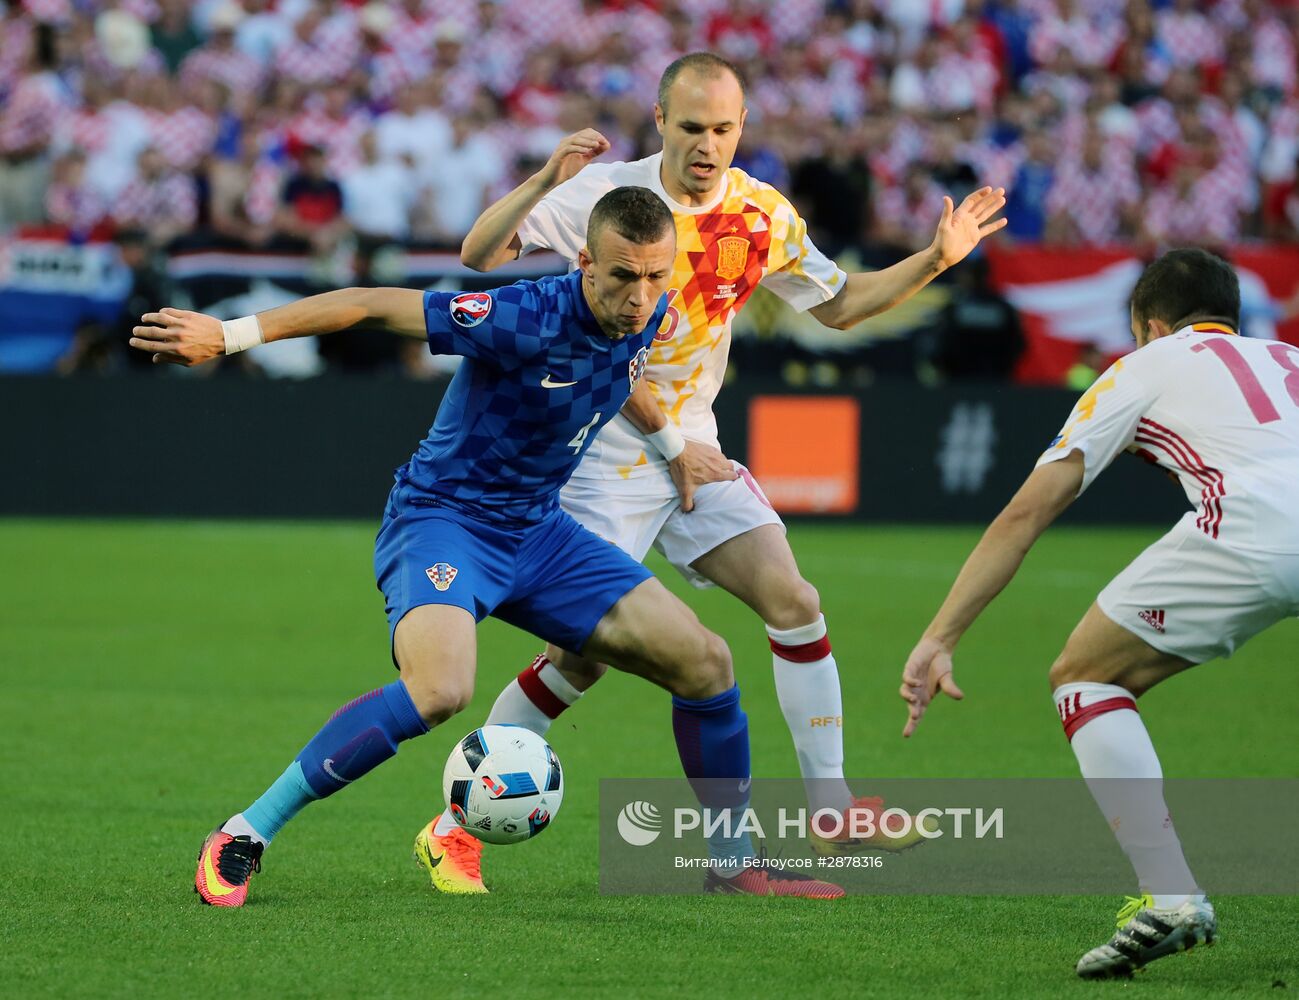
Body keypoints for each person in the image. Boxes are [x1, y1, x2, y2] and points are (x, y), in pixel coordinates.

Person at [130, 186, 842, 906]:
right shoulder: (520, 316)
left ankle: (733, 862)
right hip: (446, 520)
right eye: (624, 276)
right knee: (440, 691)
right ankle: (245, 833)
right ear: (585, 262)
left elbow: (617, 371)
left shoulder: (650, 309)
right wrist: (228, 337)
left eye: (656, 275)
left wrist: (671, 446)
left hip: (540, 531)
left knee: (706, 663)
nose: (641, 295)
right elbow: (370, 303)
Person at [437, 51, 1006, 892]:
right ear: (660, 121)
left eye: (724, 129)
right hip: (603, 449)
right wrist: (541, 179)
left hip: (695, 451)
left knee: (794, 601)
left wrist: (936, 259)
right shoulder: (608, 199)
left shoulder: (760, 213)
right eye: (693, 127)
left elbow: (842, 305)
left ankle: (830, 808)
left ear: (741, 129)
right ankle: (456, 827)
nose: (708, 145)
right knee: (582, 657)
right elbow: (486, 259)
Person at [898, 247, 1299, 977]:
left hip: (1254, 524)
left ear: (1149, 325)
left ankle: (1170, 896)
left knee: (1086, 676)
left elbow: (1025, 514)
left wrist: (938, 636)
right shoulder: (1286, 354)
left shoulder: (1142, 366)